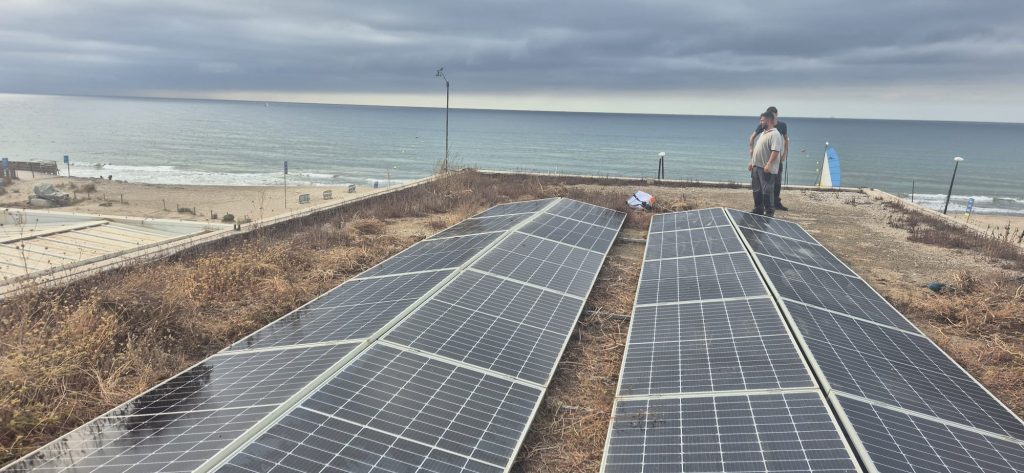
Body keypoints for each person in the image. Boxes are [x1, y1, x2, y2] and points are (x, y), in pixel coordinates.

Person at [748, 106, 789, 210]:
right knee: (758, 189)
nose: (761, 122)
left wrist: (783, 155)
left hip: (769, 164)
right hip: (759, 164)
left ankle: (772, 207)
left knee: (772, 186)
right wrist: (752, 159)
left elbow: (779, 147)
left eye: (762, 120)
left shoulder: (778, 130)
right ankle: (759, 209)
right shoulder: (763, 131)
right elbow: (753, 139)